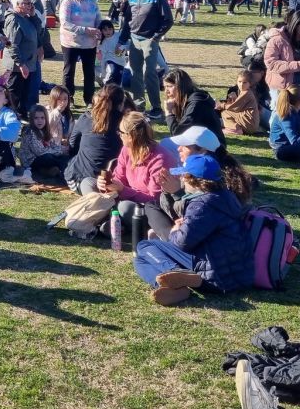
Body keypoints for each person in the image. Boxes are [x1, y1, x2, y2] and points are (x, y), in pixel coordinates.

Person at [132, 153, 252, 307]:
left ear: (192, 180)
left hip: (213, 278)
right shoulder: (227, 197)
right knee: (139, 260)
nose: (181, 179)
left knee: (144, 246)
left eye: (183, 176)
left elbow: (182, 243)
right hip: (237, 277)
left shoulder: (202, 204)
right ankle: (169, 286)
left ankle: (174, 273)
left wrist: (175, 230)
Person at [97, 111, 178, 223]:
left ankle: (109, 217)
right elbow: (119, 177)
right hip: (127, 196)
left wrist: (123, 190)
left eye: (121, 132)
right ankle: (110, 217)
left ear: (131, 136)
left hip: (151, 209)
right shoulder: (127, 149)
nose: (119, 135)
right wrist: (107, 184)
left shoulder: (159, 160)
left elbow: (155, 200)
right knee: (88, 182)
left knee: (124, 207)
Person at [118, 0, 174, 121]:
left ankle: (156, 108)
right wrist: (121, 41)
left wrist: (156, 36)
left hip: (149, 39)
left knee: (149, 72)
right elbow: (127, 22)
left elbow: (168, 20)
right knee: (135, 72)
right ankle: (138, 106)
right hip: (134, 39)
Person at [64, 84, 132, 193]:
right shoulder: (126, 123)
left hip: (83, 177)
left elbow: (72, 145)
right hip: (117, 179)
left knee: (68, 161)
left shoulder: (86, 118)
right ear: (121, 104)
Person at [58, 0, 101, 108]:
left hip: (89, 44)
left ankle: (89, 99)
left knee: (89, 72)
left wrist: (99, 30)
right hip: (70, 42)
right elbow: (65, 23)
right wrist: (85, 30)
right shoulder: (67, 2)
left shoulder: (92, 2)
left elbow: (98, 19)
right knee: (69, 71)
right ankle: (68, 98)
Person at [162, 68, 227, 154]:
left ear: (181, 86)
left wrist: (169, 113)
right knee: (166, 143)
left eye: (170, 86)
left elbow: (178, 133)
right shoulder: (188, 101)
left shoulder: (196, 104)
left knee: (166, 144)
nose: (166, 91)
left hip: (212, 150)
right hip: (201, 144)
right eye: (165, 87)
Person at [3, 0, 41, 118]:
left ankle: (21, 115)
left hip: (28, 63)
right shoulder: (14, 19)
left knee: (25, 93)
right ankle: (11, 117)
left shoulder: (26, 17)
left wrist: (33, 15)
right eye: (27, 3)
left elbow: (38, 30)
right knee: (14, 93)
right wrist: (20, 64)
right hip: (17, 66)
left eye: (31, 3)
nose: (30, 6)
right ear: (17, 4)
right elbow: (11, 44)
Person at [18, 104, 68, 185]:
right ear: (31, 119)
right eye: (36, 118)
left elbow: (53, 145)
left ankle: (50, 171)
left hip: (42, 158)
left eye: (42, 118)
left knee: (63, 157)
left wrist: (62, 149)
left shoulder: (44, 131)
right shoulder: (30, 132)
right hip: (30, 162)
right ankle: (62, 174)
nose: (39, 121)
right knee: (49, 157)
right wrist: (60, 150)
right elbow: (40, 152)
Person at [218, 71, 260, 136]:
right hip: (250, 123)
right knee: (228, 112)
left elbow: (235, 108)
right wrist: (234, 98)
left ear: (250, 83)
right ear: (236, 82)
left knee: (225, 113)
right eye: (239, 82)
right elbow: (238, 107)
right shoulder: (244, 92)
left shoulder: (246, 93)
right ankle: (235, 128)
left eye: (244, 82)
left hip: (250, 124)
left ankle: (235, 130)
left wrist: (221, 105)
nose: (241, 84)